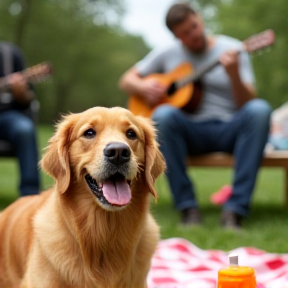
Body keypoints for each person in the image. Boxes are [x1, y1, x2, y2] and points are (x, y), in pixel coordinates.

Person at [118, 3, 272, 230]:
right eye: (185, 34)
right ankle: (188, 208)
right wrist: (143, 87)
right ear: (176, 37)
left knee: (259, 110)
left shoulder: (234, 48)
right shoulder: (167, 53)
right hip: (191, 133)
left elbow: (245, 104)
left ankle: (235, 210)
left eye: (194, 27)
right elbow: (126, 80)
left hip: (230, 129)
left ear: (199, 19)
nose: (193, 35)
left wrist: (234, 75)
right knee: (163, 114)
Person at [0, 41, 40, 197]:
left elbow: (29, 98)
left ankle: (30, 195)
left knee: (25, 129)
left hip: (8, 116)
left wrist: (20, 92)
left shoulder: (10, 54)